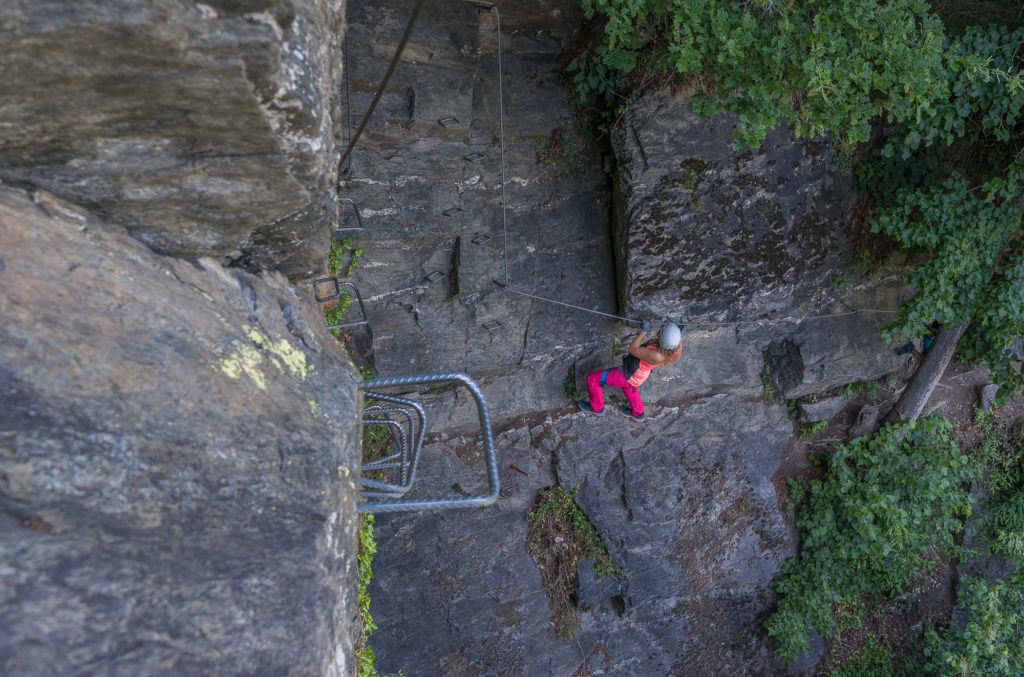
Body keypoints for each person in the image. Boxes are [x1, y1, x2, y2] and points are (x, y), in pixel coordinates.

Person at [577, 321, 684, 422]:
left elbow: (633, 349)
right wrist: (678, 334)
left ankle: (597, 408)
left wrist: (644, 332)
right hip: (639, 374)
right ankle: (638, 413)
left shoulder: (657, 355)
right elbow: (675, 339)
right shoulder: (675, 349)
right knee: (628, 387)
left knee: (592, 379)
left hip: (628, 374)